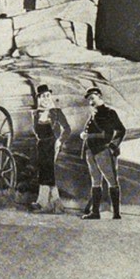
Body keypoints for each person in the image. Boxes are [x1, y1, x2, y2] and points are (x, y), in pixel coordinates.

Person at [80, 87, 126, 220]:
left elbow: (121, 130)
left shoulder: (109, 113)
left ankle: (116, 213)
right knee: (95, 181)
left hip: (102, 151)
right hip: (91, 151)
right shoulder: (93, 114)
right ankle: (95, 212)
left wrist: (113, 146)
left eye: (92, 98)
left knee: (112, 181)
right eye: (89, 99)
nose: (90, 101)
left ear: (100, 97)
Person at [30, 84, 71, 213]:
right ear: (39, 98)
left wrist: (60, 141)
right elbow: (36, 131)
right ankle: (55, 203)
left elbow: (67, 129)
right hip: (41, 144)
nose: (46, 98)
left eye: (48, 95)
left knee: (47, 171)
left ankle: (43, 203)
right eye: (43, 96)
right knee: (45, 172)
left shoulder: (56, 112)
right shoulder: (36, 114)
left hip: (52, 144)